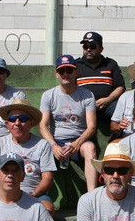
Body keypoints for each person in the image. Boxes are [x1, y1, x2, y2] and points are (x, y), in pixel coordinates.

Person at [0, 99, 56, 214]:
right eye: (12, 119)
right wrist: (1, 196)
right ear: (7, 124)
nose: (17, 123)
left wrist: (32, 195)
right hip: (2, 194)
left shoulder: (42, 144)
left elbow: (47, 178)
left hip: (33, 194)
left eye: (23, 119)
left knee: (47, 209)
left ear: (31, 123)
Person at [39, 54, 98, 190]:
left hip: (79, 141)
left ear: (76, 72)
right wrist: (53, 145)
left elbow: (92, 126)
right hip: (56, 141)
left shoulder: (87, 95)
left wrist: (77, 143)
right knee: (39, 148)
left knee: (90, 148)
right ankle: (38, 193)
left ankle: (92, 195)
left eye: (69, 70)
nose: (65, 74)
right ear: (57, 74)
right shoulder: (48, 95)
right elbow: (42, 125)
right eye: (61, 71)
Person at [75, 31, 126, 129]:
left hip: (107, 106)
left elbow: (120, 87)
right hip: (83, 107)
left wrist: (108, 100)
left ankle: (118, 136)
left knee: (121, 111)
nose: (88, 49)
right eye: (85, 47)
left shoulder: (110, 64)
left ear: (101, 49)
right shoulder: (76, 65)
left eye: (92, 46)